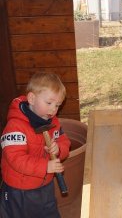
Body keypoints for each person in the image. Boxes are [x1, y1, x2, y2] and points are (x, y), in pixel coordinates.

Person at [0, 72, 71, 218]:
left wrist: (58, 149)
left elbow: (64, 142)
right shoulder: (15, 126)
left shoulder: (53, 122)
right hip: (21, 190)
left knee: (49, 213)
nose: (53, 110)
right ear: (32, 98)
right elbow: (16, 159)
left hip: (45, 184)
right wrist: (45, 167)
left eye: (57, 105)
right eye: (49, 103)